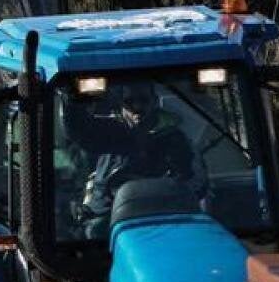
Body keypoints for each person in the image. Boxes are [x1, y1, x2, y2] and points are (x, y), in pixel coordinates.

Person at [69, 85, 201, 232]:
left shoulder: (175, 139)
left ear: (155, 101)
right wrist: (70, 97)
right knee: (95, 229)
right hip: (107, 218)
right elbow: (78, 128)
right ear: (121, 105)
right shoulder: (109, 133)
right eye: (129, 102)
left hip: (161, 217)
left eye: (144, 100)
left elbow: (196, 182)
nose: (137, 107)